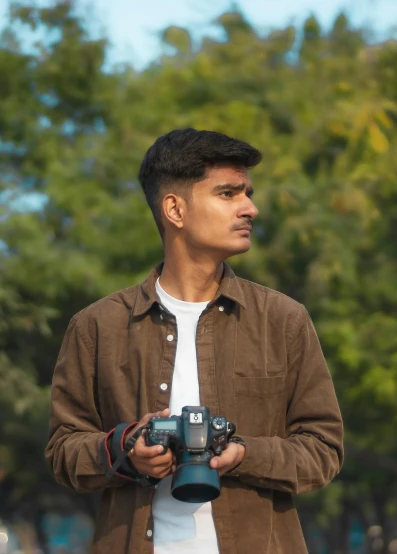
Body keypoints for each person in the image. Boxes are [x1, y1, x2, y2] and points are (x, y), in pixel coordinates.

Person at [45, 129, 344, 554]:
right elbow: (62, 450)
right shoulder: (97, 326)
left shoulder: (283, 321)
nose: (250, 208)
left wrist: (242, 454)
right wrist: (127, 448)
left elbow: (323, 450)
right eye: (227, 193)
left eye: (247, 193)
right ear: (175, 209)